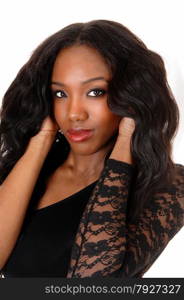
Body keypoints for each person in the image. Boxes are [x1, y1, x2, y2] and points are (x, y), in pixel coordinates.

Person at [0, 19, 183, 278]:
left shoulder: (169, 186)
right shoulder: (25, 172)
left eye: (95, 92)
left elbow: (93, 281)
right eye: (60, 94)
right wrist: (40, 142)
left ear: (130, 95)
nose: (74, 114)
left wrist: (125, 143)